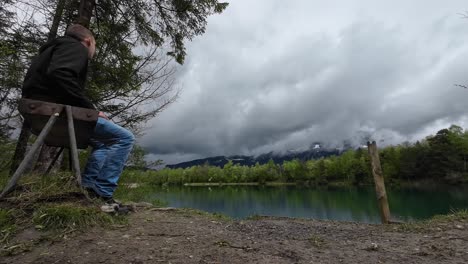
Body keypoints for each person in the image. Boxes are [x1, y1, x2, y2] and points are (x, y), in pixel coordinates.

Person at [22, 24, 134, 210]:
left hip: (40, 111)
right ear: (88, 41)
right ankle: (103, 193)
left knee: (101, 143)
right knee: (124, 137)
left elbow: (54, 78)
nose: (93, 51)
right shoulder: (75, 46)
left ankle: (89, 188)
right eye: (94, 46)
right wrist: (91, 109)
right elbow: (60, 74)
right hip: (53, 111)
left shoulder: (52, 50)